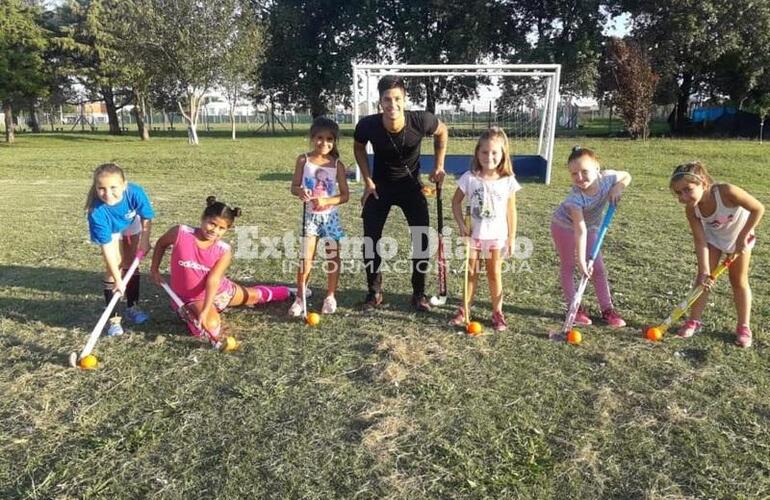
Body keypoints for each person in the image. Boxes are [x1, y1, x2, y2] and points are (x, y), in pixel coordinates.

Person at [353, 75, 449, 311]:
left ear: (404, 99)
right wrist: (367, 181)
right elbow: (358, 146)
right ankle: (374, 292)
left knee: (422, 239)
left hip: (410, 186)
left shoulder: (421, 120)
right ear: (380, 101)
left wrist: (438, 165)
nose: (392, 104)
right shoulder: (368, 125)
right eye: (387, 99)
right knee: (370, 239)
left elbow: (442, 131)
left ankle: (419, 293)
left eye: (397, 98)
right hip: (380, 187)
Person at [150, 197, 293, 339]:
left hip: (220, 292)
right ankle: (186, 311)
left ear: (227, 229)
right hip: (192, 299)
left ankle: (288, 291)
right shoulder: (180, 233)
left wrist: (205, 310)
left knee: (253, 296)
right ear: (203, 218)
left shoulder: (223, 250)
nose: (215, 231)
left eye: (221, 228)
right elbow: (161, 243)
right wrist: (154, 269)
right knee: (209, 330)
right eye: (212, 224)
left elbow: (213, 281)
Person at [669, 161, 764, 347]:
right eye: (679, 193)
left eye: (688, 189)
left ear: (703, 182)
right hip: (714, 240)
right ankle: (694, 321)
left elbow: (758, 208)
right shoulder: (692, 209)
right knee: (702, 280)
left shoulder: (726, 192)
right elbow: (700, 240)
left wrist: (743, 237)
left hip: (739, 238)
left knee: (738, 281)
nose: (684, 196)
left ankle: (744, 326)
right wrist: (705, 270)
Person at [551, 146, 631, 328]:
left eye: (584, 171)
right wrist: (581, 260)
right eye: (574, 174)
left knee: (599, 269)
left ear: (597, 168)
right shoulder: (575, 199)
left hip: (591, 227)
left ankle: (607, 309)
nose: (579, 177)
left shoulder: (607, 178)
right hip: (564, 227)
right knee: (569, 265)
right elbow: (580, 230)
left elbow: (626, 175)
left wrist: (617, 188)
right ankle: (575, 307)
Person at [450, 127, 520, 331]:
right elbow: (455, 203)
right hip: (474, 236)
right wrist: (461, 225)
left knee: (494, 274)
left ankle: (497, 313)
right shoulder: (469, 178)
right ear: (477, 153)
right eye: (484, 152)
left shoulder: (507, 181)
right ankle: (465, 309)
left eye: (494, 153)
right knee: (471, 272)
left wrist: (512, 237)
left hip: (496, 237)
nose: (489, 157)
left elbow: (511, 211)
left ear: (502, 154)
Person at [289, 116, 349, 317]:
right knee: (306, 258)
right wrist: (301, 192)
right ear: (312, 138)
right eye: (320, 138)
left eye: (330, 139)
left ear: (334, 141)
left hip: (330, 219)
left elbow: (345, 196)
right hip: (310, 218)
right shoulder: (303, 160)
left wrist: (327, 201)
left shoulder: (337, 164)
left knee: (333, 257)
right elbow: (294, 186)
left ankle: (330, 296)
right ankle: (300, 297)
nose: (324, 143)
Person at [85, 163, 154, 336]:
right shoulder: (96, 212)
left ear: (124, 185)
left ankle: (133, 307)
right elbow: (107, 248)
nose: (107, 194)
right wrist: (118, 279)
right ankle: (113, 319)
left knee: (130, 264)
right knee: (113, 267)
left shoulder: (135, 192)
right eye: (101, 188)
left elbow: (146, 216)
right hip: (111, 229)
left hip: (131, 222)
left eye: (113, 187)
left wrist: (145, 241)